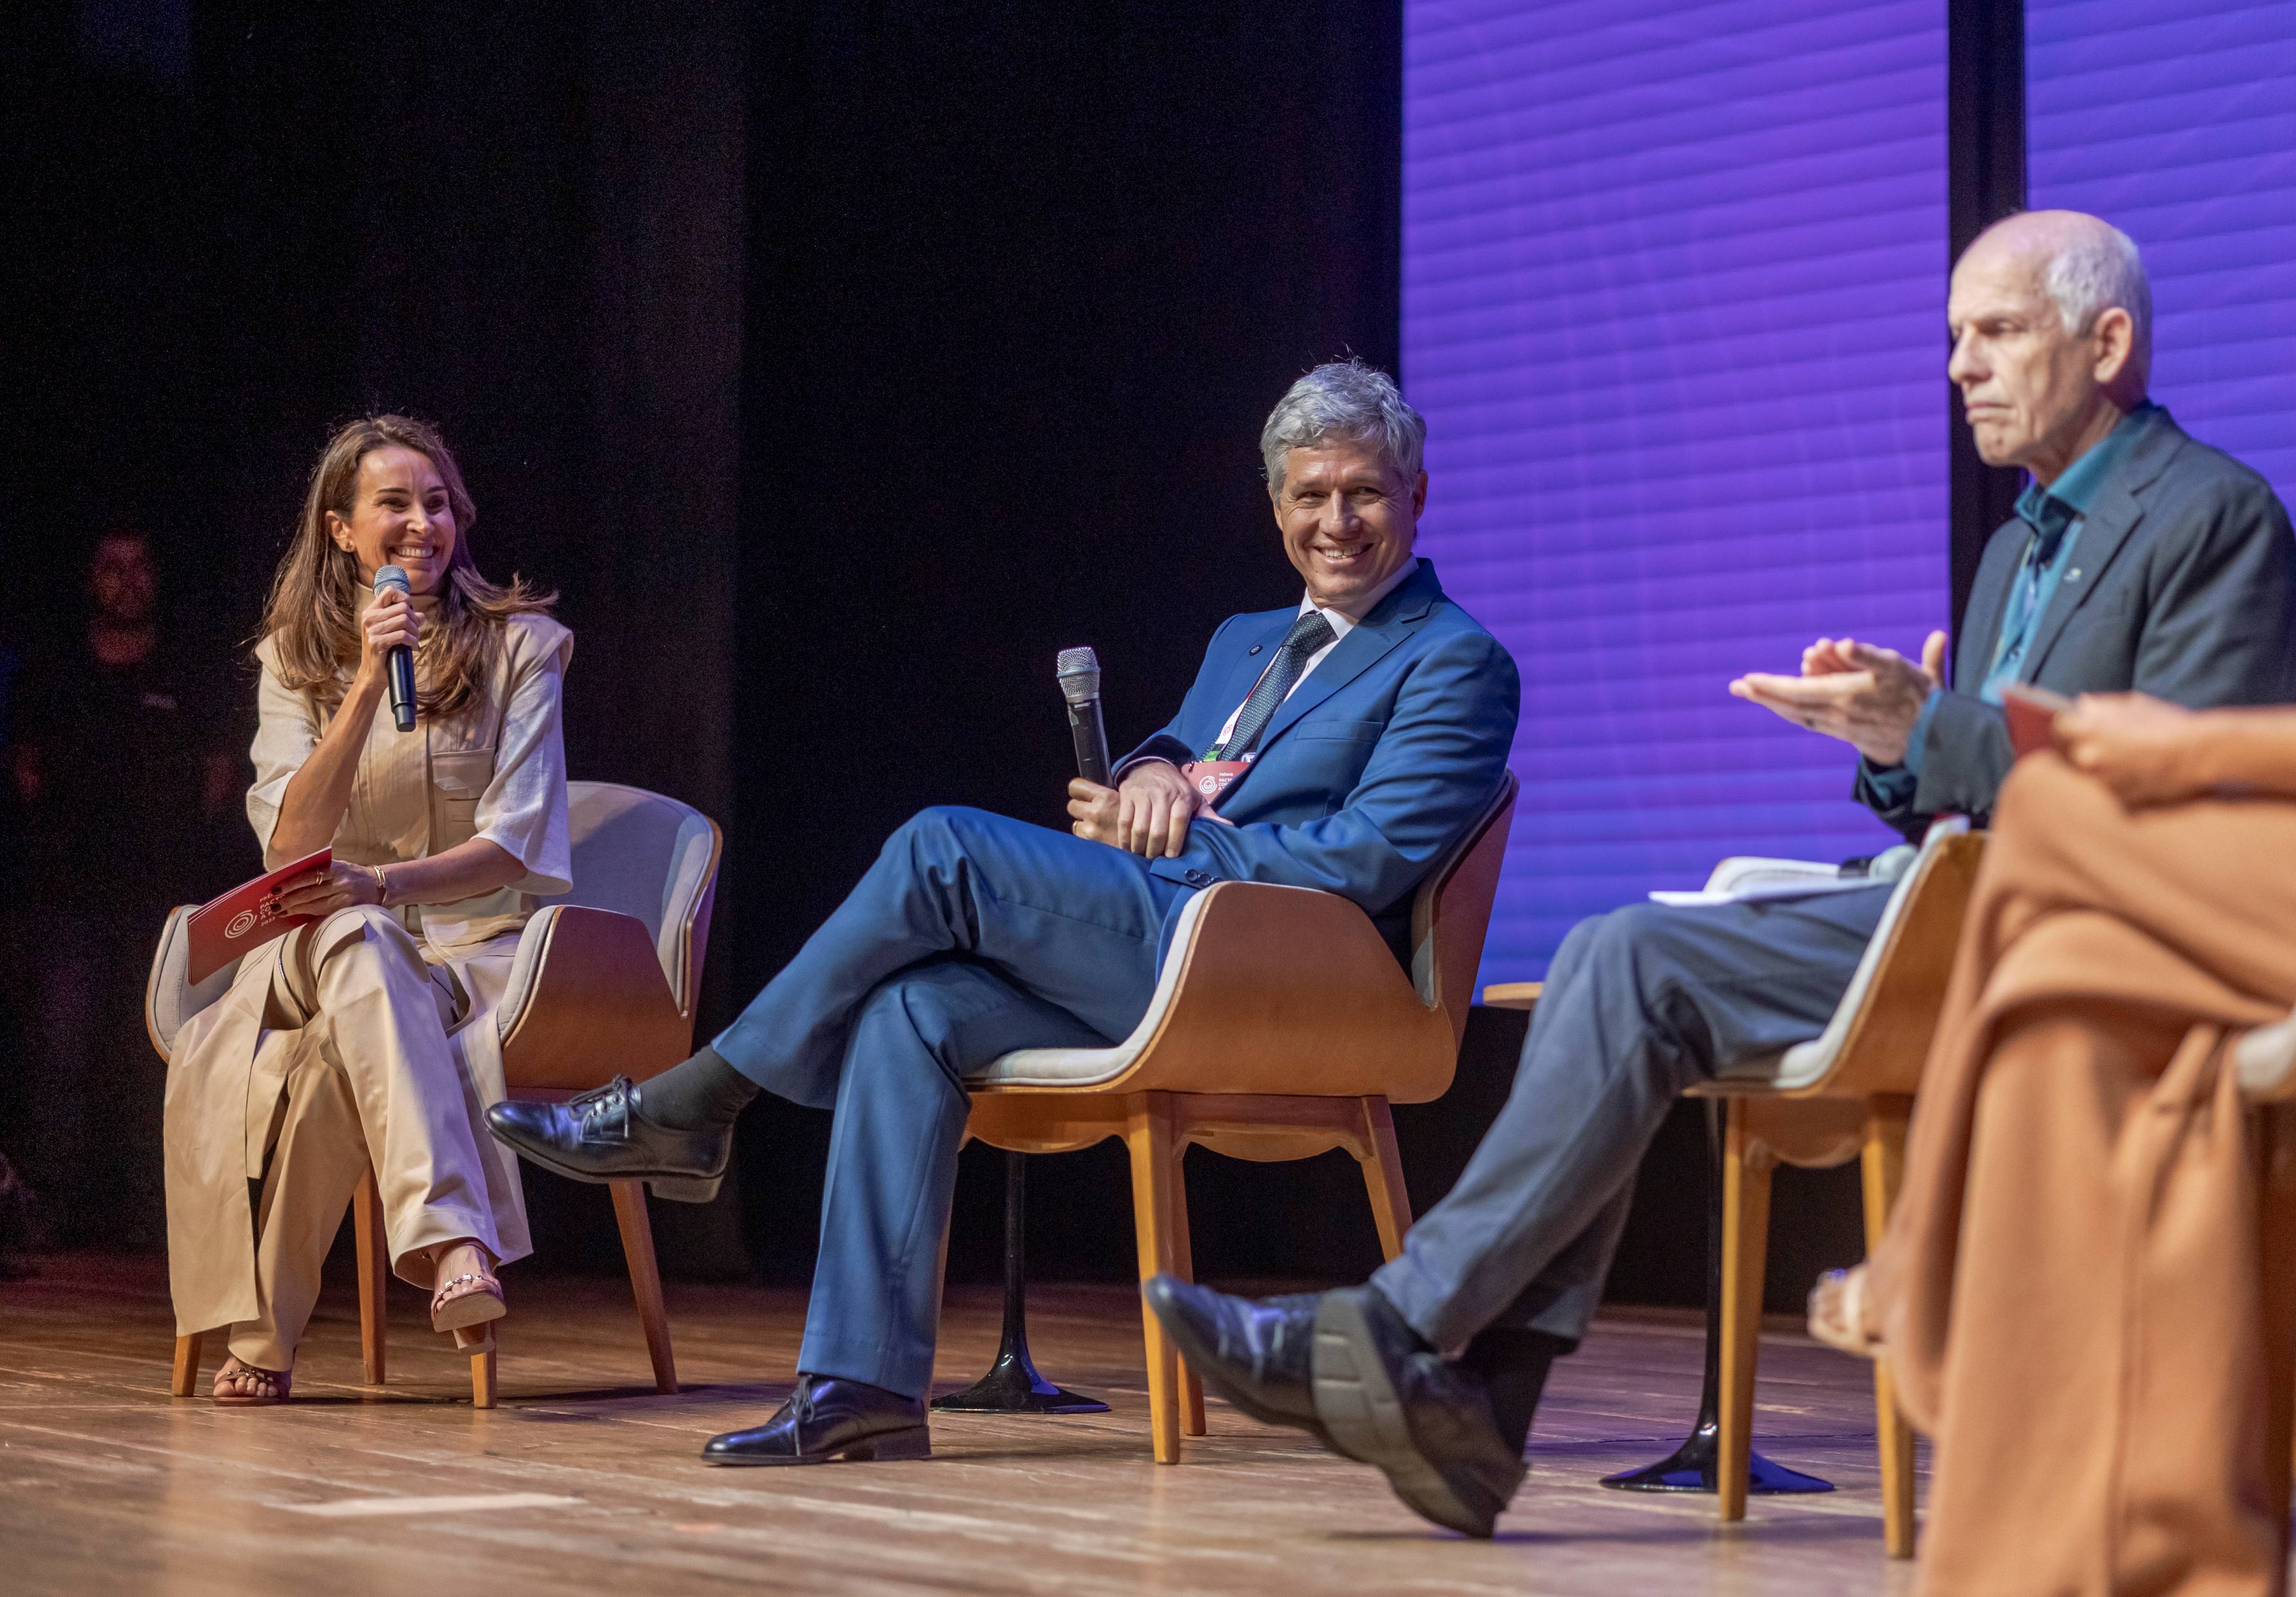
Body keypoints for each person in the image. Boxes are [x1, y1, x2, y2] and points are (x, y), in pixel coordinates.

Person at [1144, 211, 2296, 1538]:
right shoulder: (2017, 546)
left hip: (2097, 934)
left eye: (1996, 332)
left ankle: (1398, 1335)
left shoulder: (2214, 516)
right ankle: (1474, 1407)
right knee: (1616, 950)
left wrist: (1935, 732)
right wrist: (1893, 749)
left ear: (2106, 343)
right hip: (1972, 903)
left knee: (1634, 960)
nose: (1960, 366)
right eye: (1954, 336)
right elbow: (1987, 777)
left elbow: (2193, 797)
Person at [1796, 0, 2296, 1595]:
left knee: (2063, 826)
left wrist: (2161, 743)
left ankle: (1928, 1272)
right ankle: (2140, 1548)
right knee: (2086, 1017)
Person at [488, 360, 1520, 1465]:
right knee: (911, 1009)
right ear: (1276, 506)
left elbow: (1368, 860)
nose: (1337, 521)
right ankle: (862, 1388)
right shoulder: (1247, 638)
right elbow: (1183, 751)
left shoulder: (1455, 660)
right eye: (1311, 494)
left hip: (1282, 971)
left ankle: (699, 1100)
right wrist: (1150, 770)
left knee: (943, 846)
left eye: (1365, 492)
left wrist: (1182, 836)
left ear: (1417, 495)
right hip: (1164, 943)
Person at [162, 415, 573, 1404]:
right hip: (314, 944)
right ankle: (454, 1237)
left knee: (347, 1041)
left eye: (437, 502)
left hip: (474, 950)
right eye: (395, 503)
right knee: (355, 939)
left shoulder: (523, 647)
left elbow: (517, 842)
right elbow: (291, 844)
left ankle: (266, 1334)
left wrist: (382, 885)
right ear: (343, 529)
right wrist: (359, 686)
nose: (422, 523)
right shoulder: (291, 659)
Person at [4, 531, 248, 1244]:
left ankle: (152, 1211)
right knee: (63, 1053)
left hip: (163, 900)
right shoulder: (57, 669)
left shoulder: (187, 667)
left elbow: (218, 777)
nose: (128, 580)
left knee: (157, 1053)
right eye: (112, 567)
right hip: (70, 897)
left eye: (141, 565)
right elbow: (26, 769)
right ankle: (54, 1211)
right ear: (90, 579)